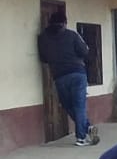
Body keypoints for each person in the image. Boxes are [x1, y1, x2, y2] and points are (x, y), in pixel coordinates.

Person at [37, 10, 98, 146]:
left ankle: (86, 128)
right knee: (79, 106)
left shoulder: (43, 38)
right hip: (78, 74)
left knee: (68, 105)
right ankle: (82, 136)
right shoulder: (72, 35)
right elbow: (84, 51)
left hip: (60, 76)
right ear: (64, 23)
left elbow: (43, 58)